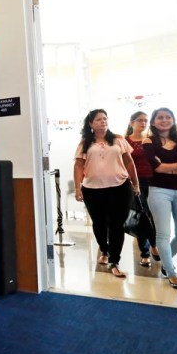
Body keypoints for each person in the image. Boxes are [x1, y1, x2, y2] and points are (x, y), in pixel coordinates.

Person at [74, 109, 140, 278]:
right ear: (90, 124)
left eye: (105, 118)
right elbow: (78, 166)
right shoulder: (85, 143)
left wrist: (135, 183)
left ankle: (115, 261)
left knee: (117, 224)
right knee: (99, 222)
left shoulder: (118, 139)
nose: (102, 121)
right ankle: (104, 248)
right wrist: (77, 187)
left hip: (120, 187)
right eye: (98, 119)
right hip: (92, 190)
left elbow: (129, 162)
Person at [142, 107, 177, 290]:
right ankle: (171, 273)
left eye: (168, 117)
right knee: (163, 235)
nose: (164, 120)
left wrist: (171, 167)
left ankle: (166, 262)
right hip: (159, 190)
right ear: (153, 122)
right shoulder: (149, 141)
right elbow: (156, 167)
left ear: (173, 120)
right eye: (160, 118)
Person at [125, 111, 160, 266]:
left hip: (153, 181)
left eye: (146, 121)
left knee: (154, 217)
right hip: (135, 183)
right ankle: (146, 251)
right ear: (131, 122)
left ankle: (154, 244)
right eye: (140, 120)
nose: (143, 123)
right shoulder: (125, 141)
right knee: (141, 217)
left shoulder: (151, 141)